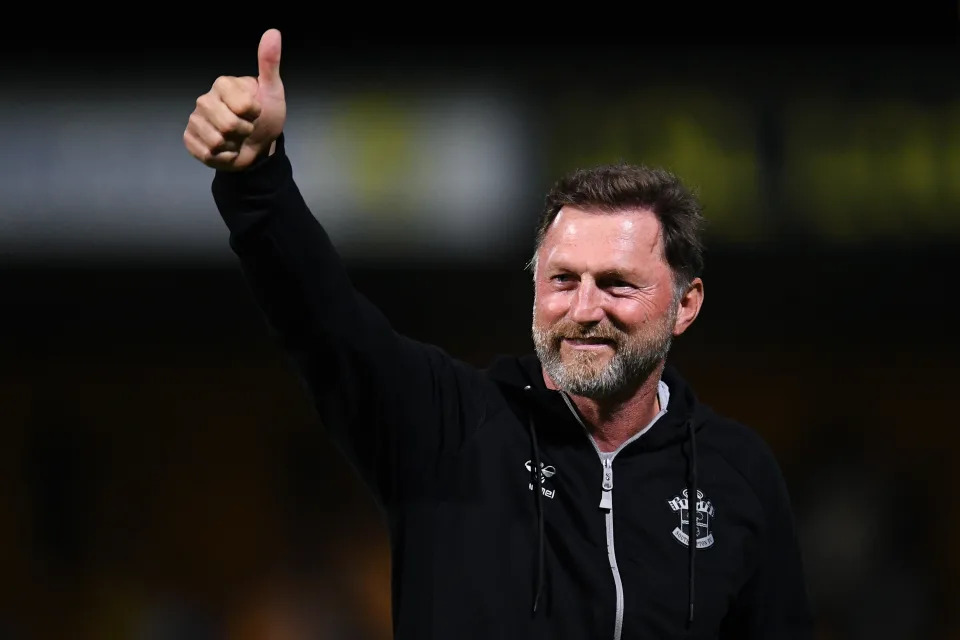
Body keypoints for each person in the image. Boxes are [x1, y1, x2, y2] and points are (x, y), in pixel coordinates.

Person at [183, 28, 815, 640]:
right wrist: (258, 182)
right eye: (563, 279)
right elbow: (322, 319)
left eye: (617, 284)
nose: (585, 308)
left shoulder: (738, 474)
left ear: (685, 304)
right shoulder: (449, 428)